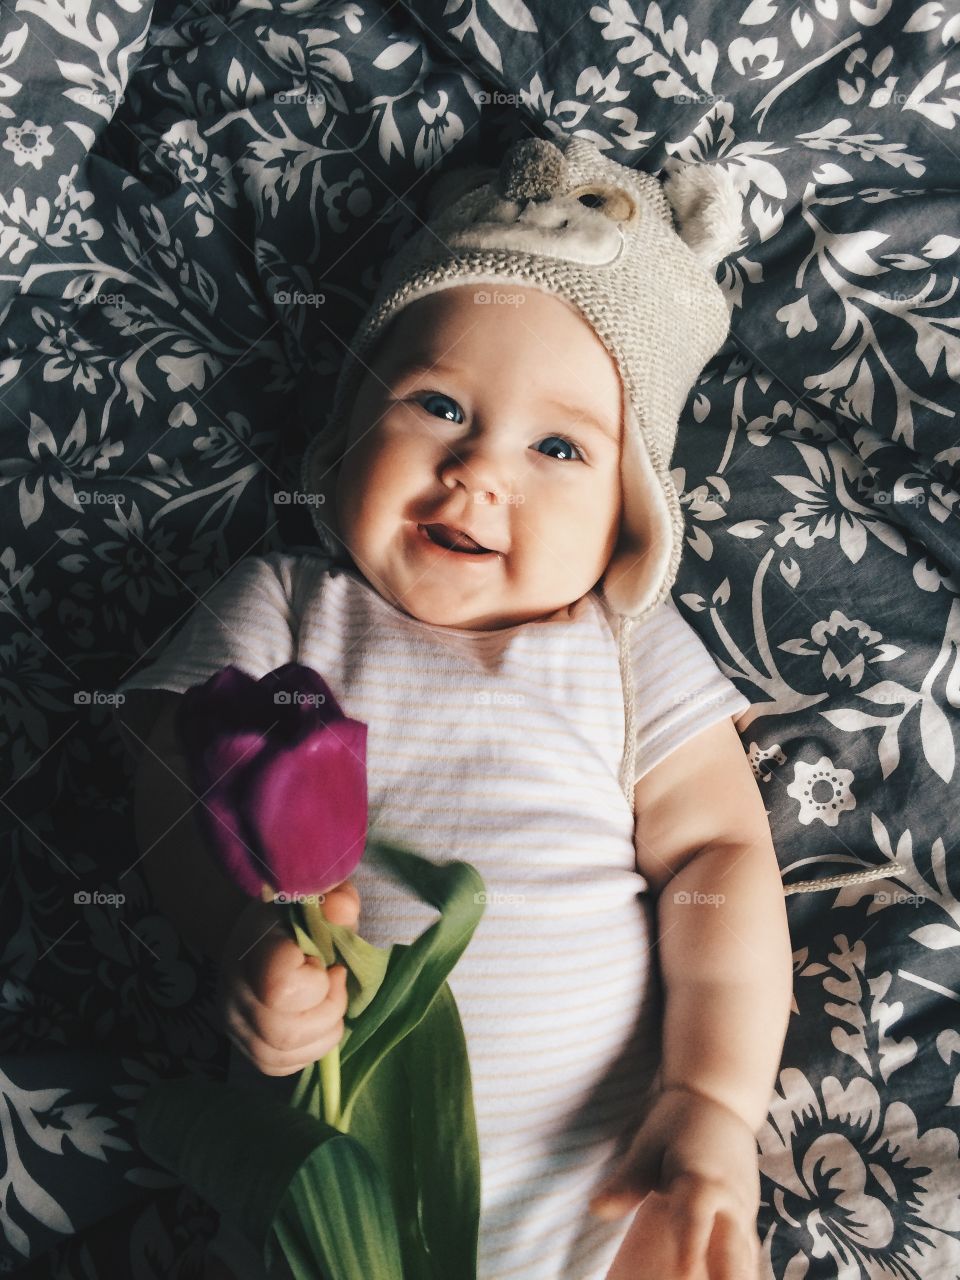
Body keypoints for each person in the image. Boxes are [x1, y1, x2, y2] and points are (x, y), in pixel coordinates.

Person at [113, 135, 885, 1279]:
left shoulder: (624, 650)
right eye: (436, 404)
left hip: (607, 1198)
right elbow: (170, 772)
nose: (480, 471)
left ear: (628, 518)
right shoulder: (286, 604)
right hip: (335, 1214)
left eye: (560, 445)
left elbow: (718, 856)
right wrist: (238, 935)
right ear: (345, 436)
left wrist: (712, 1099)